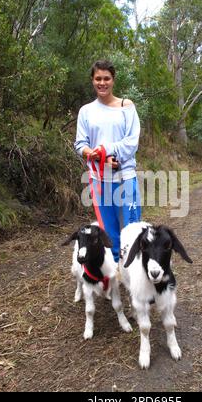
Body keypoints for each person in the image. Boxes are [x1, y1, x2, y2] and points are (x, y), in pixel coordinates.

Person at [74, 60, 141, 263]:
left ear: (113, 80)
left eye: (106, 78)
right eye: (98, 79)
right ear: (92, 81)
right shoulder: (86, 111)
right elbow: (80, 143)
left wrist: (107, 152)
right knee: (108, 231)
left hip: (125, 177)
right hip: (99, 180)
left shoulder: (126, 106)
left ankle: (135, 269)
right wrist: (90, 153)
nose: (102, 83)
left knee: (132, 227)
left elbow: (131, 142)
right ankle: (115, 273)